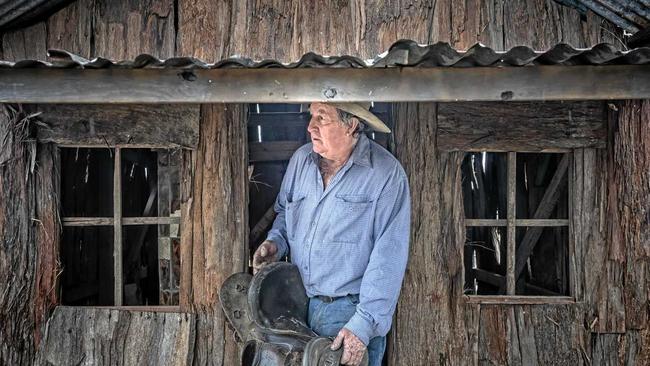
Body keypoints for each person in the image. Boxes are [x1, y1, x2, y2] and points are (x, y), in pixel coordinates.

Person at [252, 102, 410, 366]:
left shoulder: (386, 175)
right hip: (297, 305)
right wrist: (275, 242)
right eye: (311, 116)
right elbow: (284, 211)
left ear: (352, 125)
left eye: (322, 118)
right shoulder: (301, 160)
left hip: (349, 312)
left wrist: (362, 326)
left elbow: (389, 257)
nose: (310, 126)